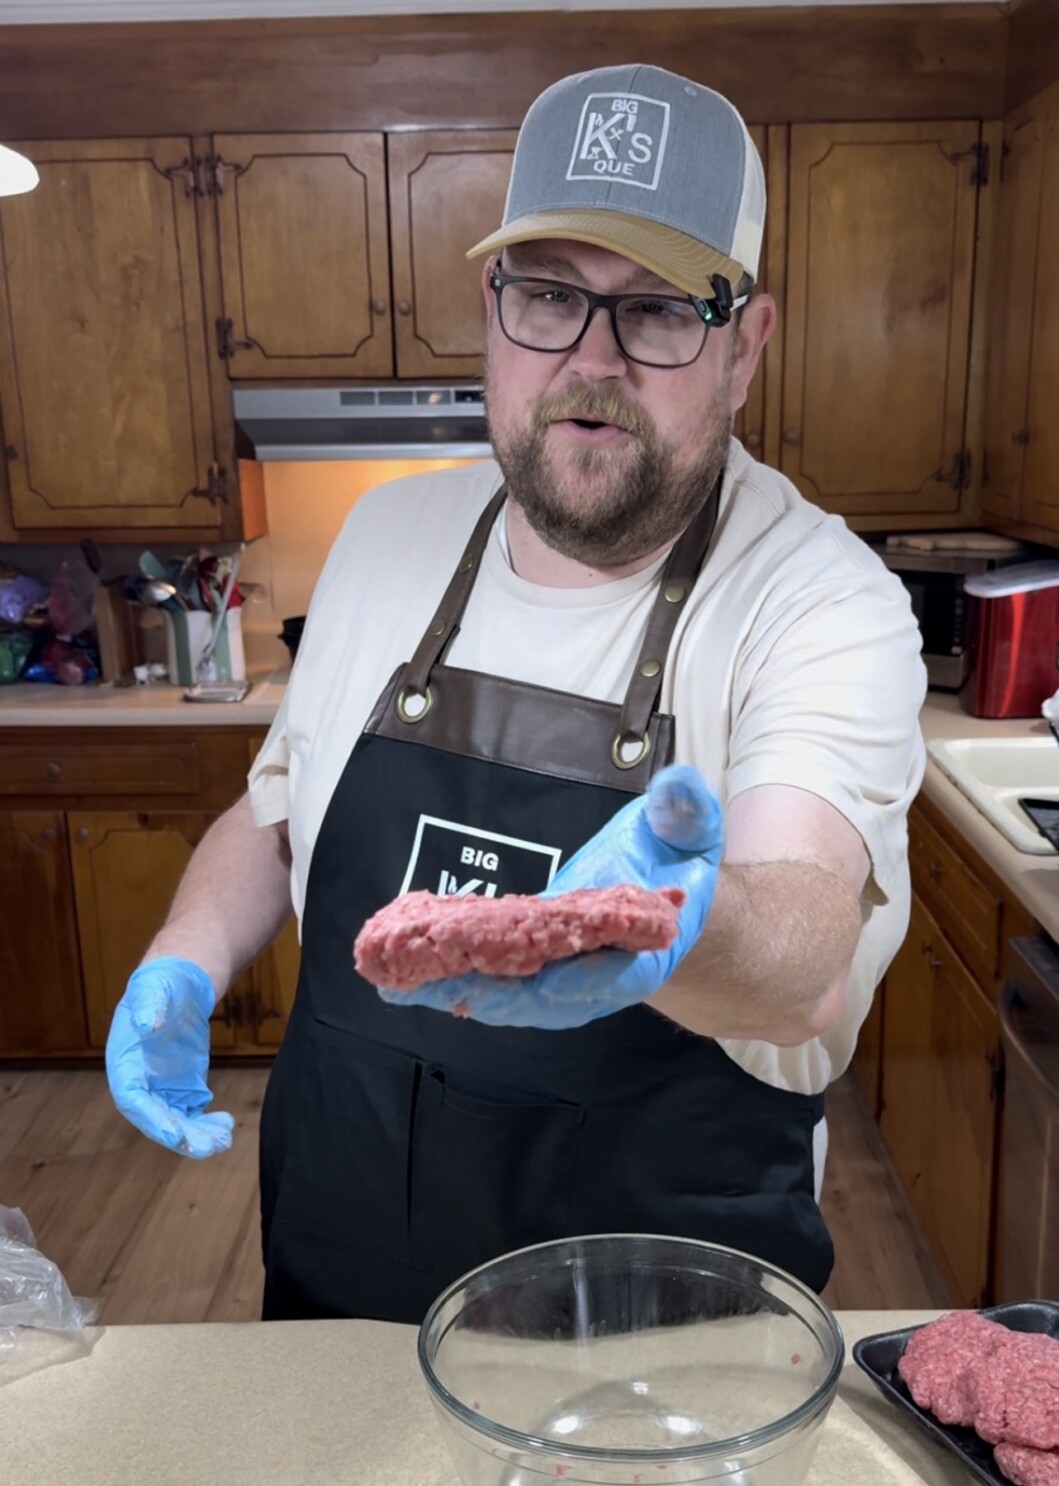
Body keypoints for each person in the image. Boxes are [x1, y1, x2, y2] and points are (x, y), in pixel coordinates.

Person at [106, 63, 926, 1322]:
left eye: (657, 310)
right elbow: (278, 818)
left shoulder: (819, 601)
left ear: (746, 343)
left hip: (662, 1348)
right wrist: (182, 954)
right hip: (344, 1293)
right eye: (549, 294)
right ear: (494, 307)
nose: (590, 363)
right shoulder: (385, 541)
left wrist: (670, 930)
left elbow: (806, 952)